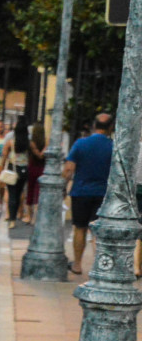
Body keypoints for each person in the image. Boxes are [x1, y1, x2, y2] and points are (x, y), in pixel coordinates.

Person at [63, 112, 114, 275]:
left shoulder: (81, 143)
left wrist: (63, 187)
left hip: (80, 192)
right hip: (103, 194)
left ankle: (77, 264)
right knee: (98, 231)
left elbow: (69, 169)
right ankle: (100, 266)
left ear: (94, 125)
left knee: (80, 228)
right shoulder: (114, 146)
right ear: (111, 127)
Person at [0, 116, 30, 228]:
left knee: (12, 194)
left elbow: (4, 157)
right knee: (19, 193)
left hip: (13, 169)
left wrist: (2, 169)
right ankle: (18, 213)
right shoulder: (28, 143)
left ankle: (12, 219)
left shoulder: (11, 143)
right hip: (24, 170)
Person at [23, 122, 47, 224]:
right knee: (38, 192)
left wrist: (36, 150)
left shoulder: (31, 142)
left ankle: (29, 215)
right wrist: (44, 149)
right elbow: (42, 156)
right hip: (42, 168)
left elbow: (37, 155)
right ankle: (35, 218)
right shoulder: (46, 141)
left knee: (30, 191)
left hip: (32, 167)